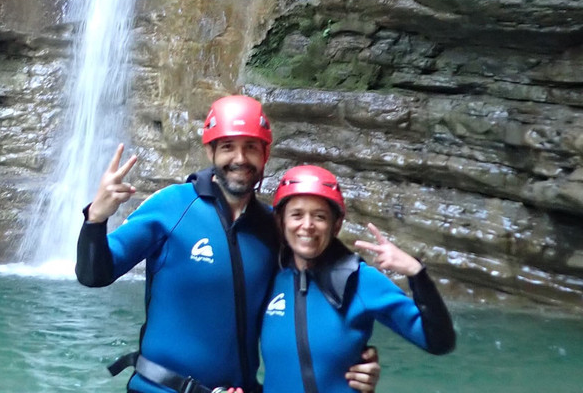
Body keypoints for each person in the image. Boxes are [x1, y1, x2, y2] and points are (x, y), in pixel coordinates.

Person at [75, 95, 381, 393]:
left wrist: (354, 362)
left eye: (251, 147)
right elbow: (94, 274)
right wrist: (96, 219)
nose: (239, 158)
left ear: (265, 154)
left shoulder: (275, 228)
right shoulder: (172, 206)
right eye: (227, 147)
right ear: (210, 152)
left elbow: (326, 293)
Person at [260, 165, 455, 393]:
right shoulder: (268, 275)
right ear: (280, 221)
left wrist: (417, 273)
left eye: (320, 216)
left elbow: (439, 342)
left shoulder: (360, 280)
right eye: (297, 214)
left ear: (336, 225)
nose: (307, 225)